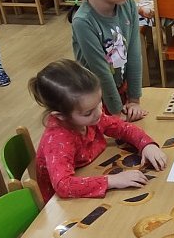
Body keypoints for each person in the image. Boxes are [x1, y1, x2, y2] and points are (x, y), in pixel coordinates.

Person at [29, 59, 166, 204]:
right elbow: (64, 185)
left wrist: (147, 145)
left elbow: (122, 127)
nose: (99, 113)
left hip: (93, 170)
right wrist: (112, 181)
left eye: (99, 102)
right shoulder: (58, 139)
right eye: (88, 113)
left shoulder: (91, 114)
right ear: (61, 116)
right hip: (64, 205)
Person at [71, 0, 145, 121]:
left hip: (120, 93)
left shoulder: (129, 6)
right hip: (93, 103)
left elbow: (134, 55)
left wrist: (134, 100)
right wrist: (117, 113)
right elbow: (100, 71)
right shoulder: (83, 22)